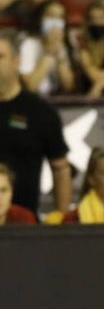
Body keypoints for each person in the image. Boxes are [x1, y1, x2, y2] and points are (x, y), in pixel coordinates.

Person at [0, 32, 71, 218]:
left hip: (25, 223)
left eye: (0, 56)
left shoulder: (40, 112)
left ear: (16, 61)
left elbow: (60, 168)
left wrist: (62, 217)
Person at [19, 0, 78, 96]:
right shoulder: (29, 44)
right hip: (35, 101)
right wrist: (49, 52)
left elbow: (68, 86)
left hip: (59, 100)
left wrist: (59, 53)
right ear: (40, 19)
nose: (56, 22)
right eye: (51, 16)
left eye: (60, 17)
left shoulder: (66, 42)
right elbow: (31, 86)